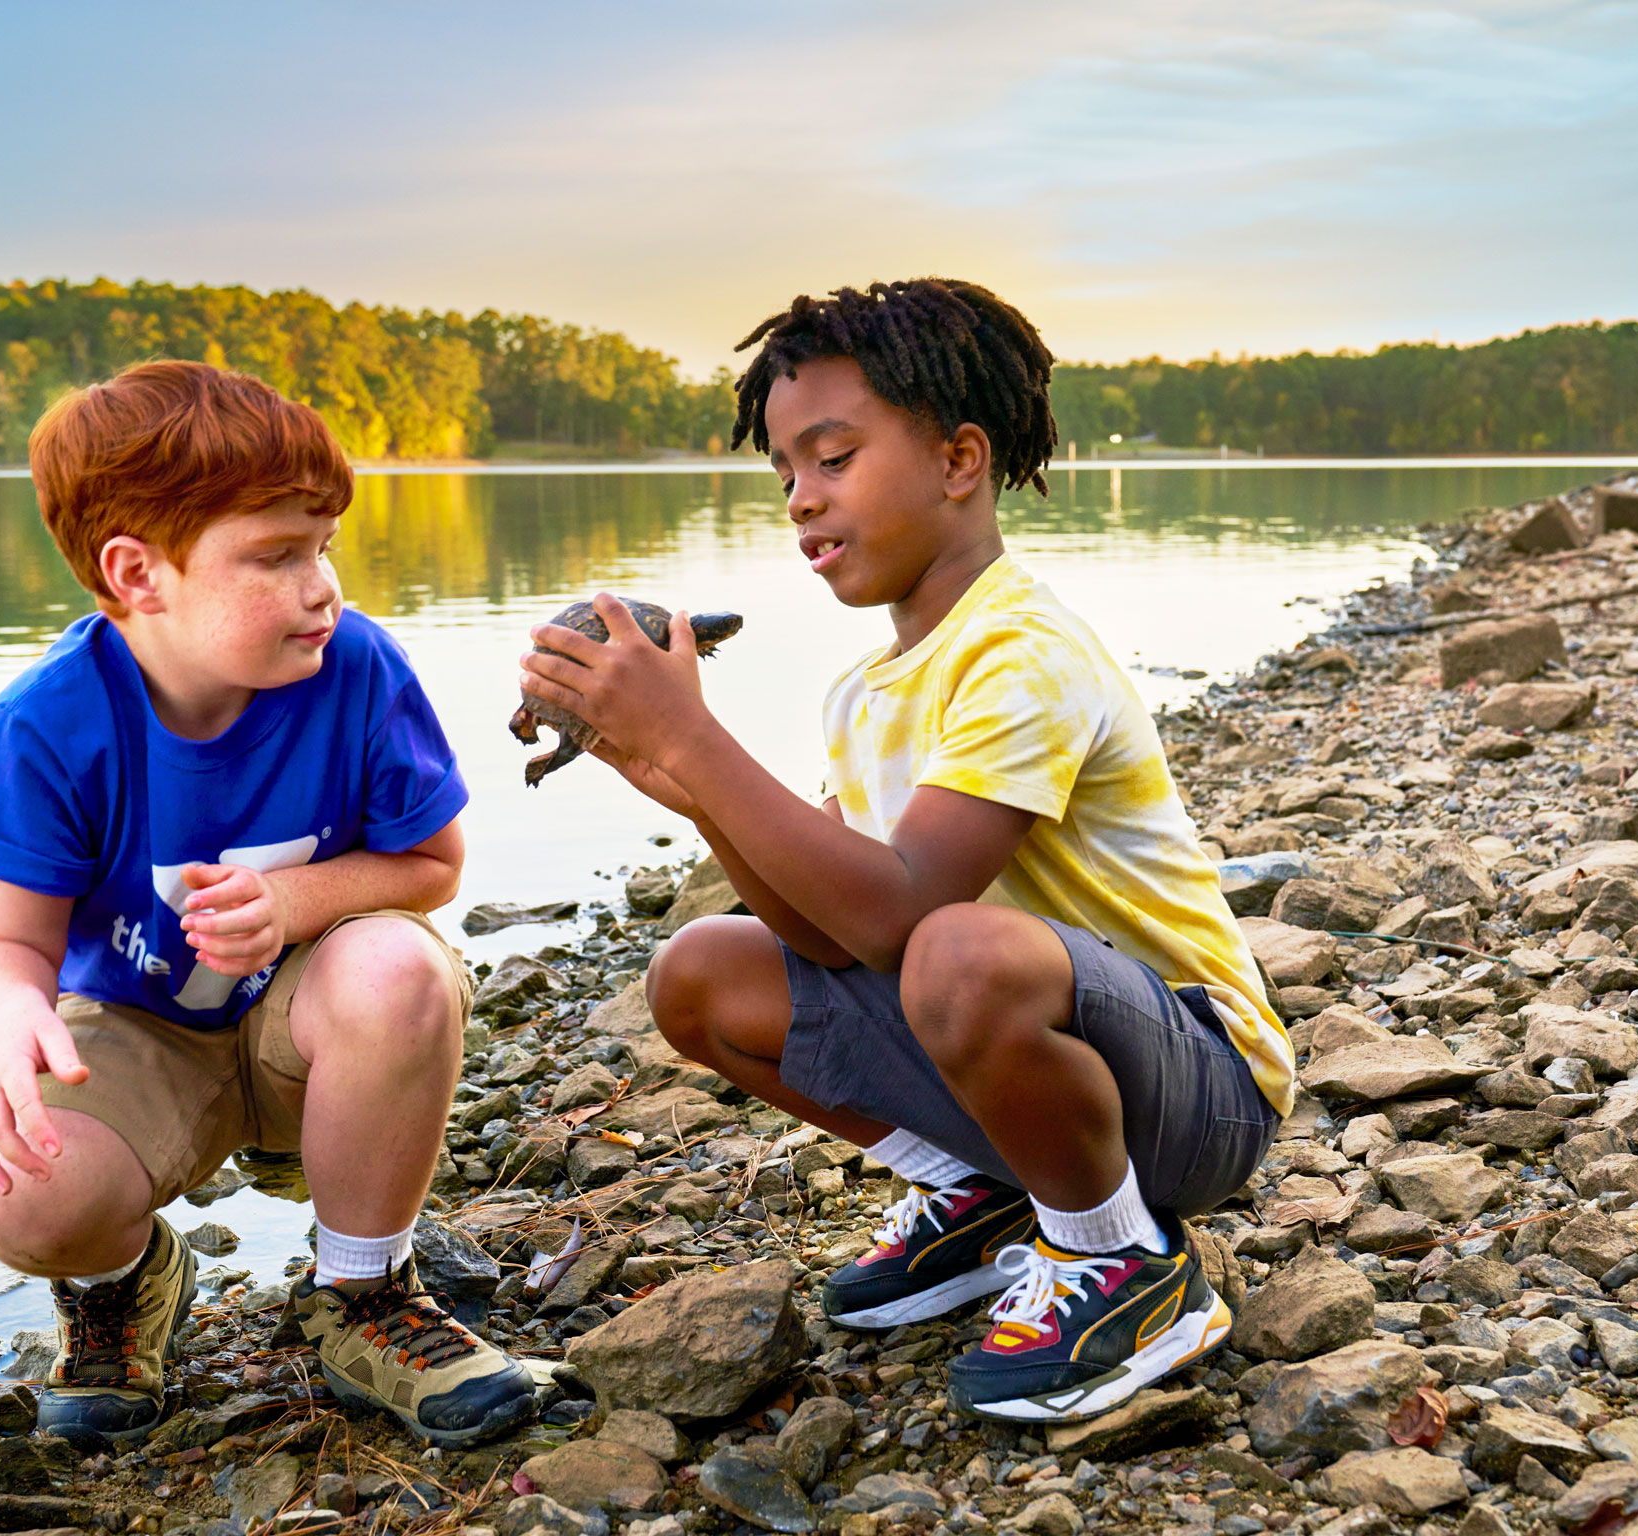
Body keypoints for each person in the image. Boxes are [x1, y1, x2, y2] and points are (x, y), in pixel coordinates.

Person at [518, 279, 1296, 1424]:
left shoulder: (1023, 650)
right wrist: (680, 780)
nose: (799, 498)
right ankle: (991, 1194)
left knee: (956, 954)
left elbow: (904, 913)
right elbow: (827, 931)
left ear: (958, 459)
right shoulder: (864, 692)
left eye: (832, 458)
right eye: (784, 472)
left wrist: (695, 731)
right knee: (698, 974)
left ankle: (1123, 1261)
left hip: (1199, 1090)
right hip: (1043, 1066)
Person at [0, 360, 537, 1449]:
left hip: (309, 1032)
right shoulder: (38, 729)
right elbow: (1, 944)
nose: (324, 587)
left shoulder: (354, 667)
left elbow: (432, 868)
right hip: (140, 1037)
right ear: (138, 574)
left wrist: (298, 896)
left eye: (325, 547)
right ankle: (122, 1281)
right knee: (21, 1193)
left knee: (399, 966)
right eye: (277, 556)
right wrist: (8, 1016)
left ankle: (363, 1294)